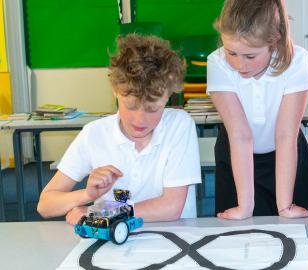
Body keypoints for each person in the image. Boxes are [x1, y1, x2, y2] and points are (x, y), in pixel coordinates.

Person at [37, 34, 201, 224]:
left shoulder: (179, 125)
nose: (140, 120)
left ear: (168, 96)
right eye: (130, 106)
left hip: (172, 242)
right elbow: (45, 205)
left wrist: (100, 213)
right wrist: (87, 194)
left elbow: (171, 208)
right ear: (115, 89)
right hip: (115, 246)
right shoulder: (95, 134)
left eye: (152, 108)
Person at [207, 0, 308, 220]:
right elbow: (240, 135)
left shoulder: (297, 60)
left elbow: (286, 134)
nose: (240, 65)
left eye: (250, 56)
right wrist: (244, 206)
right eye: (232, 53)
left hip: (286, 157)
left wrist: (285, 206)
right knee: (240, 239)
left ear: (274, 42)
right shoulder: (217, 62)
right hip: (237, 160)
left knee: (296, 234)